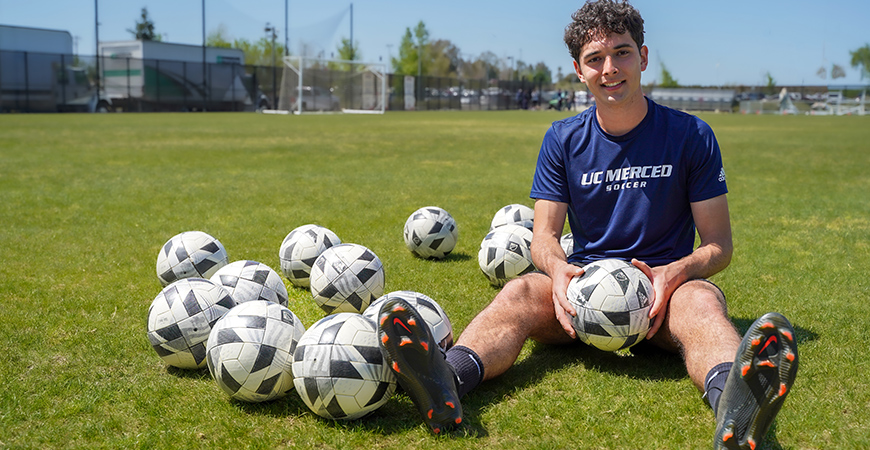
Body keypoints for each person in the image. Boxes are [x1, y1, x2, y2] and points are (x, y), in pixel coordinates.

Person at [377, 1, 799, 448]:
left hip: (661, 295)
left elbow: (718, 246)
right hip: (581, 297)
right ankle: (447, 383)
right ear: (579, 70)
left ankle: (735, 410)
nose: (610, 68)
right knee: (520, 291)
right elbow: (543, 236)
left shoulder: (691, 136)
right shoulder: (563, 138)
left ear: (644, 57)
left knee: (701, 304)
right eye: (595, 59)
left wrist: (676, 272)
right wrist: (558, 273)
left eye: (622, 53)